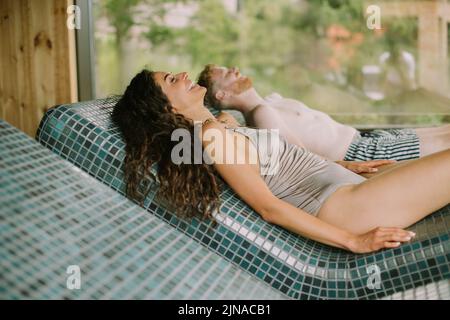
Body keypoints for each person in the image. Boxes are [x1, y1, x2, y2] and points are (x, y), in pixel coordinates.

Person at [112, 69, 450, 254]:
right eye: (172, 81)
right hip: (346, 208)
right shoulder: (210, 138)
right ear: (169, 109)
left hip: (346, 185)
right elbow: (268, 207)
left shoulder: (220, 126)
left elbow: (282, 160)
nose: (183, 75)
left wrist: (343, 165)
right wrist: (353, 241)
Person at [197, 64, 450, 162]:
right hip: (360, 154)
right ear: (222, 95)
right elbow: (304, 160)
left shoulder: (272, 100)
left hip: (367, 141)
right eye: (226, 73)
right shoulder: (261, 115)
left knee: (445, 131)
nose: (234, 69)